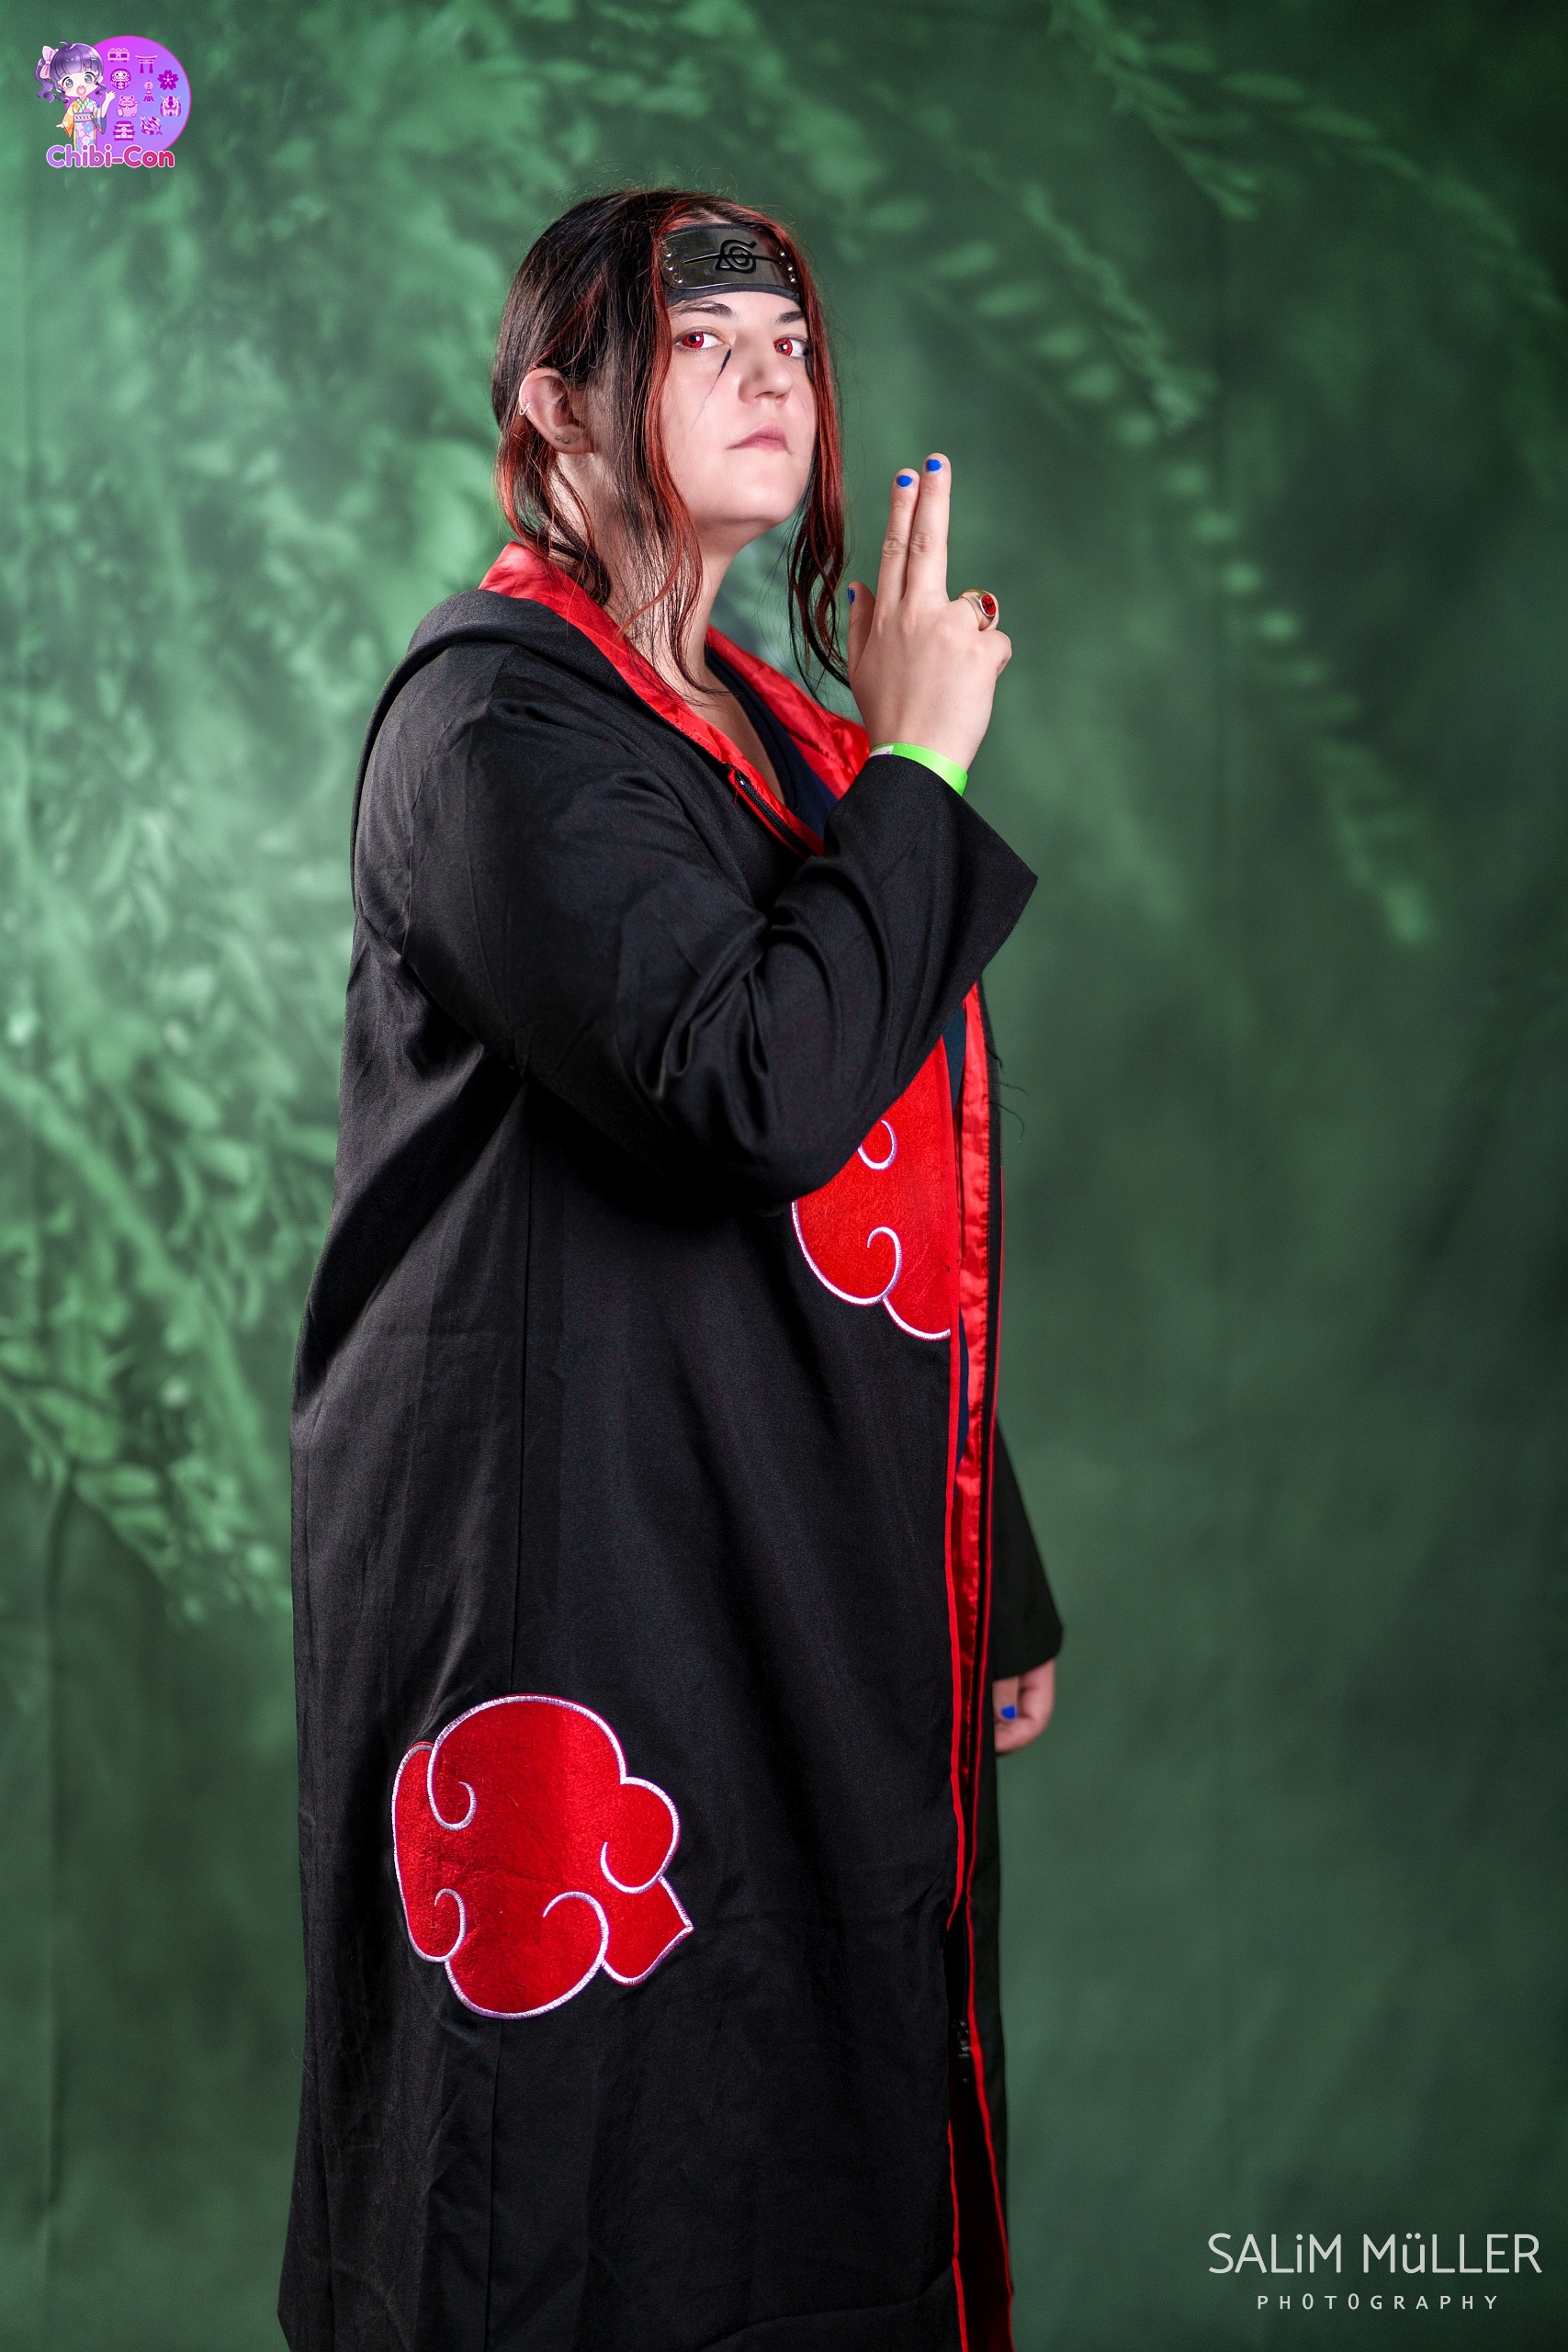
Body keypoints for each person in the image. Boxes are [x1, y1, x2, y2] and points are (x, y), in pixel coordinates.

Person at [281, 188, 1063, 2352]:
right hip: (568, 1567)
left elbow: (883, 1178)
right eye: (699, 338)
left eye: (788, 343)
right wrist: (920, 758)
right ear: (553, 408)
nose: (766, 375)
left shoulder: (768, 735)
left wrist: (985, 1556)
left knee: (804, 2128)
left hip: (769, 1539)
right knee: (565, 2177)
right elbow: (749, 1091)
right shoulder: (491, 727)